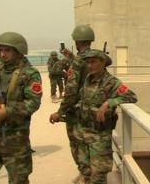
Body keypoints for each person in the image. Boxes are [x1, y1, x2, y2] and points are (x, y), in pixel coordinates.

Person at [75, 49, 137, 184]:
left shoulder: (111, 82)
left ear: (103, 63)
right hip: (83, 134)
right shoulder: (88, 79)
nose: (90, 65)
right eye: (87, 62)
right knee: (85, 172)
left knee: (98, 177)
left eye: (93, 62)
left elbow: (131, 96)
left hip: (99, 137)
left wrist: (110, 102)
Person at [0, 32, 42, 184]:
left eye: (7, 50)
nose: (2, 54)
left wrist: (7, 111)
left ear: (19, 51)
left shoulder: (29, 74)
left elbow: (33, 103)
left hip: (15, 139)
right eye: (1, 50)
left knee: (18, 180)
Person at [49, 24, 95, 184]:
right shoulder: (95, 59)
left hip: (77, 113)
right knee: (90, 145)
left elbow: (70, 91)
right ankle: (88, 174)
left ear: (76, 41)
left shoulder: (78, 62)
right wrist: (70, 57)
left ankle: (85, 176)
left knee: (77, 145)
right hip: (92, 110)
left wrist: (60, 112)